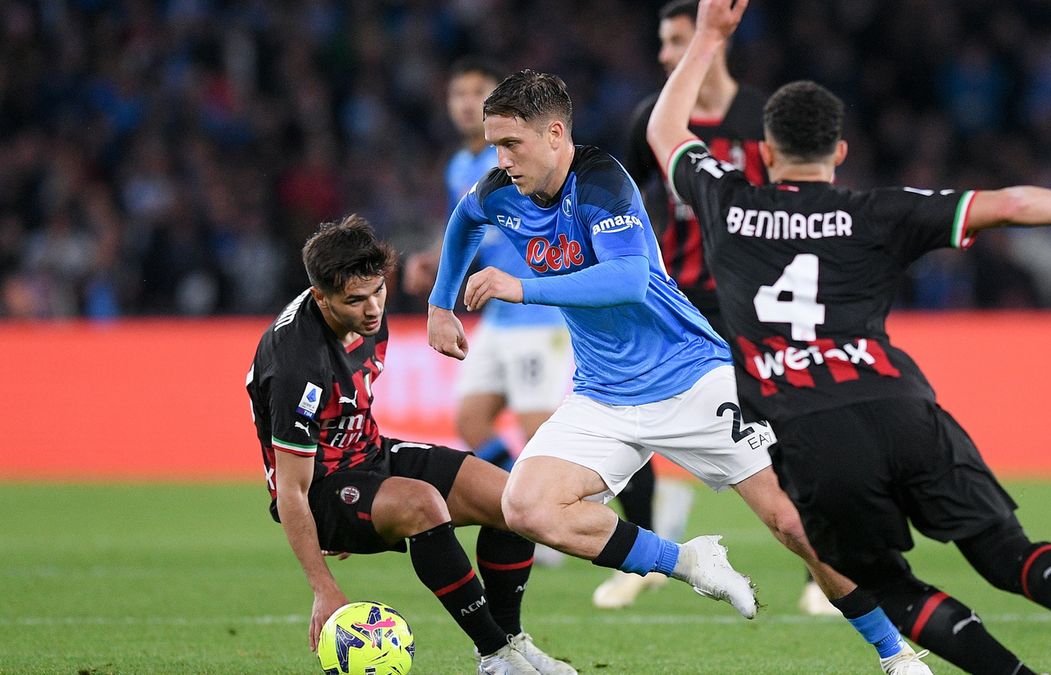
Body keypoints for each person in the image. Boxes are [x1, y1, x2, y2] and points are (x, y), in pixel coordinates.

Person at [645, 1, 1051, 674]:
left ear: (766, 152)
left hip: (811, 430)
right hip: (901, 406)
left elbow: (667, 129)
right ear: (838, 152)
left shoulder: (729, 202)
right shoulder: (878, 211)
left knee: (884, 583)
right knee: (1003, 550)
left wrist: (708, 38)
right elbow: (1010, 203)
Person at [427, 68, 931, 674]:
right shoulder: (500, 191)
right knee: (526, 506)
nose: (499, 158)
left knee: (794, 524)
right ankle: (688, 561)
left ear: (555, 134)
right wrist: (439, 302)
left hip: (693, 376)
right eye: (494, 144)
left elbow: (629, 278)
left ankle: (895, 653)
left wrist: (523, 287)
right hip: (604, 394)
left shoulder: (603, 182)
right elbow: (463, 221)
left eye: (511, 144)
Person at [246, 215, 577, 675]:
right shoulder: (296, 364)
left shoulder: (364, 308)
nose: (372, 309)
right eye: (355, 300)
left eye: (378, 291)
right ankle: (495, 656)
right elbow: (293, 489)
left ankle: (511, 643)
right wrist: (324, 585)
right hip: (322, 490)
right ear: (320, 297)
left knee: (512, 500)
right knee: (423, 504)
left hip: (371, 455)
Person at [601, 0, 837, 615]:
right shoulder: (650, 120)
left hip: (752, 303)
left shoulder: (763, 117)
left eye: (676, 40)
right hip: (673, 305)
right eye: (664, 42)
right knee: (634, 420)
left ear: (711, 42)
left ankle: (823, 573)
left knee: (783, 428)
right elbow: (611, 201)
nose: (664, 55)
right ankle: (645, 559)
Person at [405, 58, 571, 568]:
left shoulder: (519, 157)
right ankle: (525, 509)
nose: (464, 103)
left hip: (537, 307)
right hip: (495, 313)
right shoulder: (460, 166)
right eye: (457, 94)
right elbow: (472, 224)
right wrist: (438, 261)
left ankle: (555, 514)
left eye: (475, 92)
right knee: (471, 420)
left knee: (535, 422)